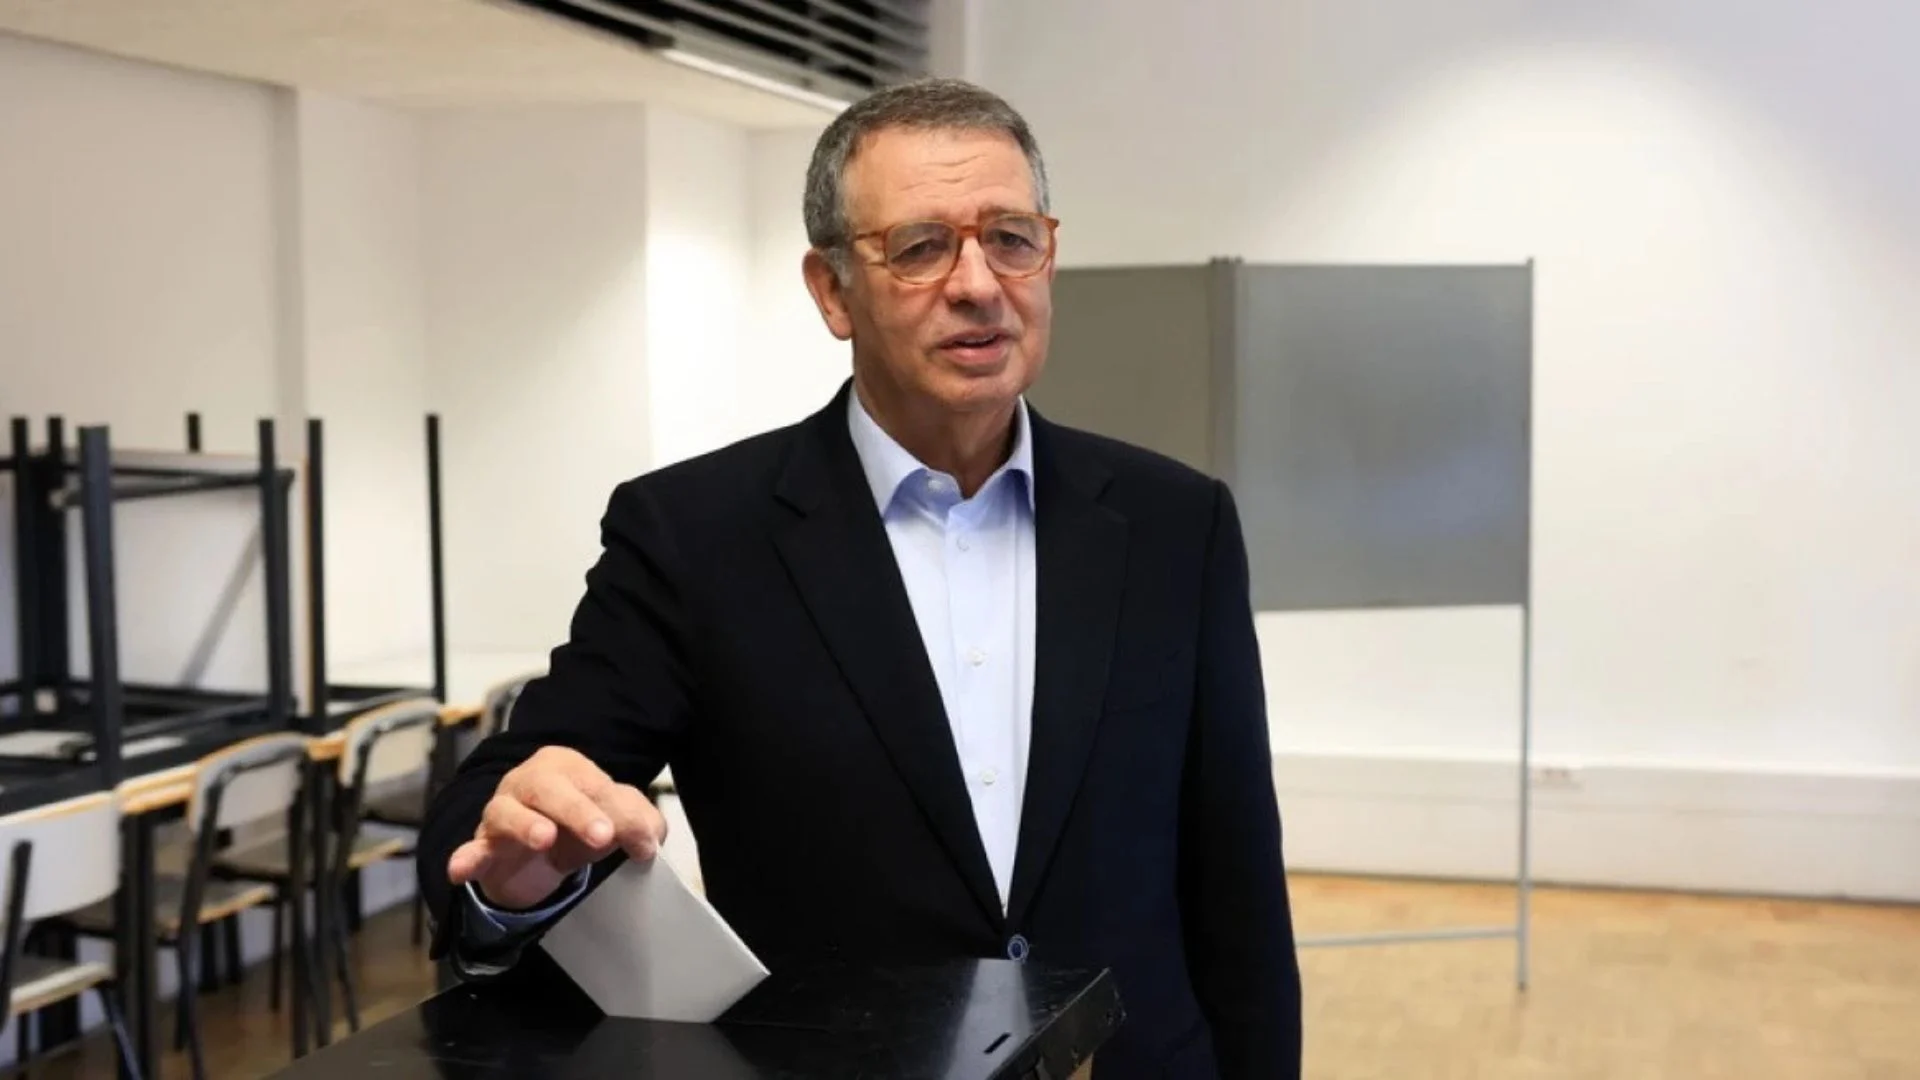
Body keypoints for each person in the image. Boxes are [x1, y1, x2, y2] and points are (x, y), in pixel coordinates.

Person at [417, 77, 1302, 1080]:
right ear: (833, 291)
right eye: (921, 247)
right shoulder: (697, 537)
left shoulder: (1176, 522)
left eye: (1011, 238)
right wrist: (517, 867)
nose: (979, 284)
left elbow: (1236, 877)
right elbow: (497, 805)